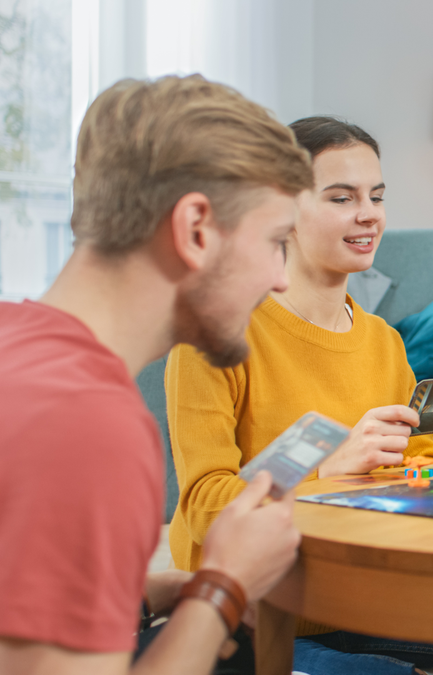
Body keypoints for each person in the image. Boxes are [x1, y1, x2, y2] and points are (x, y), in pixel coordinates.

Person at [165, 117, 433, 675]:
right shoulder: (212, 337)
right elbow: (205, 508)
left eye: (376, 196)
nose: (369, 214)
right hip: (258, 616)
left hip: (377, 603)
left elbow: (418, 474)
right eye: (342, 197)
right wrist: (326, 469)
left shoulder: (383, 342)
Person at [0, 75, 309, 674]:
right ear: (195, 229)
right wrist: (225, 585)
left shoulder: (17, 343)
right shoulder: (90, 424)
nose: (279, 279)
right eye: (275, 243)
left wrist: (140, 596)